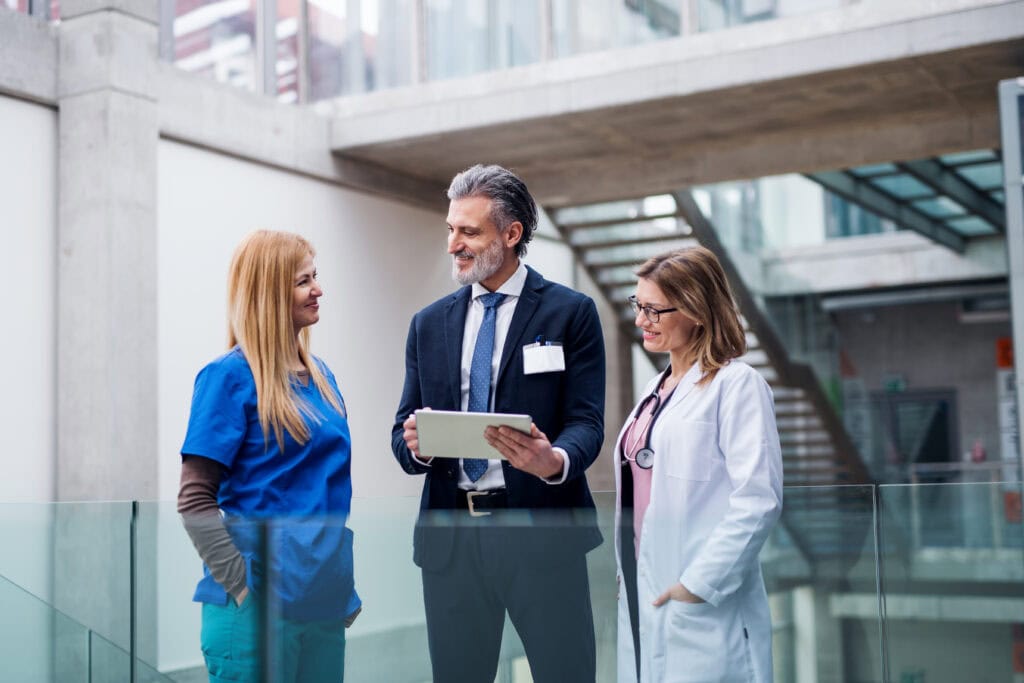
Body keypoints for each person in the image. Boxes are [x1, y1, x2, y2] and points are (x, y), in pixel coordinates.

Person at [391, 164, 605, 683]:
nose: (453, 244)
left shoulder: (570, 313)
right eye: (451, 229)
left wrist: (555, 461)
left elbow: (587, 422)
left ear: (511, 235)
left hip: (541, 532)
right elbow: (402, 430)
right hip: (453, 541)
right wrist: (415, 445)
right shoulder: (429, 323)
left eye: (469, 231)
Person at [178, 230, 361, 683]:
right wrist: (241, 587)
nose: (318, 289)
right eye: (304, 281)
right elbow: (195, 500)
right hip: (256, 610)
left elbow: (325, 489)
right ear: (270, 291)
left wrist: (339, 583)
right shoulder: (227, 378)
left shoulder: (323, 379)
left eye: (315, 277)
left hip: (321, 602)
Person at [614, 246, 783, 683]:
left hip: (701, 599)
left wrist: (698, 586)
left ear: (697, 311)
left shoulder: (737, 385)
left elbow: (758, 501)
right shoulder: (655, 389)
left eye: (654, 310)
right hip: (643, 590)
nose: (641, 321)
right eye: (639, 305)